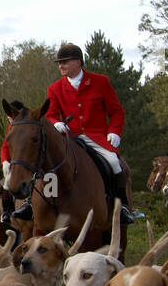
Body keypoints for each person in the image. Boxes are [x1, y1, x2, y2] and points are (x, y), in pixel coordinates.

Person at [16, 43, 140, 225]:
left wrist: (114, 132)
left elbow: (116, 112)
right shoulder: (55, 88)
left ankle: (121, 207)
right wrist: (56, 122)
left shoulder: (100, 82)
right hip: (69, 137)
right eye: (59, 63)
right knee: (47, 163)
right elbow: (50, 113)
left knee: (114, 163)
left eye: (64, 62)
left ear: (78, 62)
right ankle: (32, 204)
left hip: (97, 137)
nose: (60, 66)